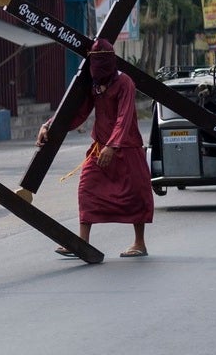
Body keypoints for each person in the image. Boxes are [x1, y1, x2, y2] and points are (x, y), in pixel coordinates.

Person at [36, 39, 153, 258]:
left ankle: (139, 242)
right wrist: (49, 125)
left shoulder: (124, 82)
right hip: (99, 147)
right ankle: (81, 242)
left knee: (136, 195)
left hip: (126, 147)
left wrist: (113, 144)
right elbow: (78, 113)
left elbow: (124, 117)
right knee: (87, 188)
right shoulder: (93, 85)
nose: (98, 69)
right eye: (94, 62)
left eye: (102, 63)